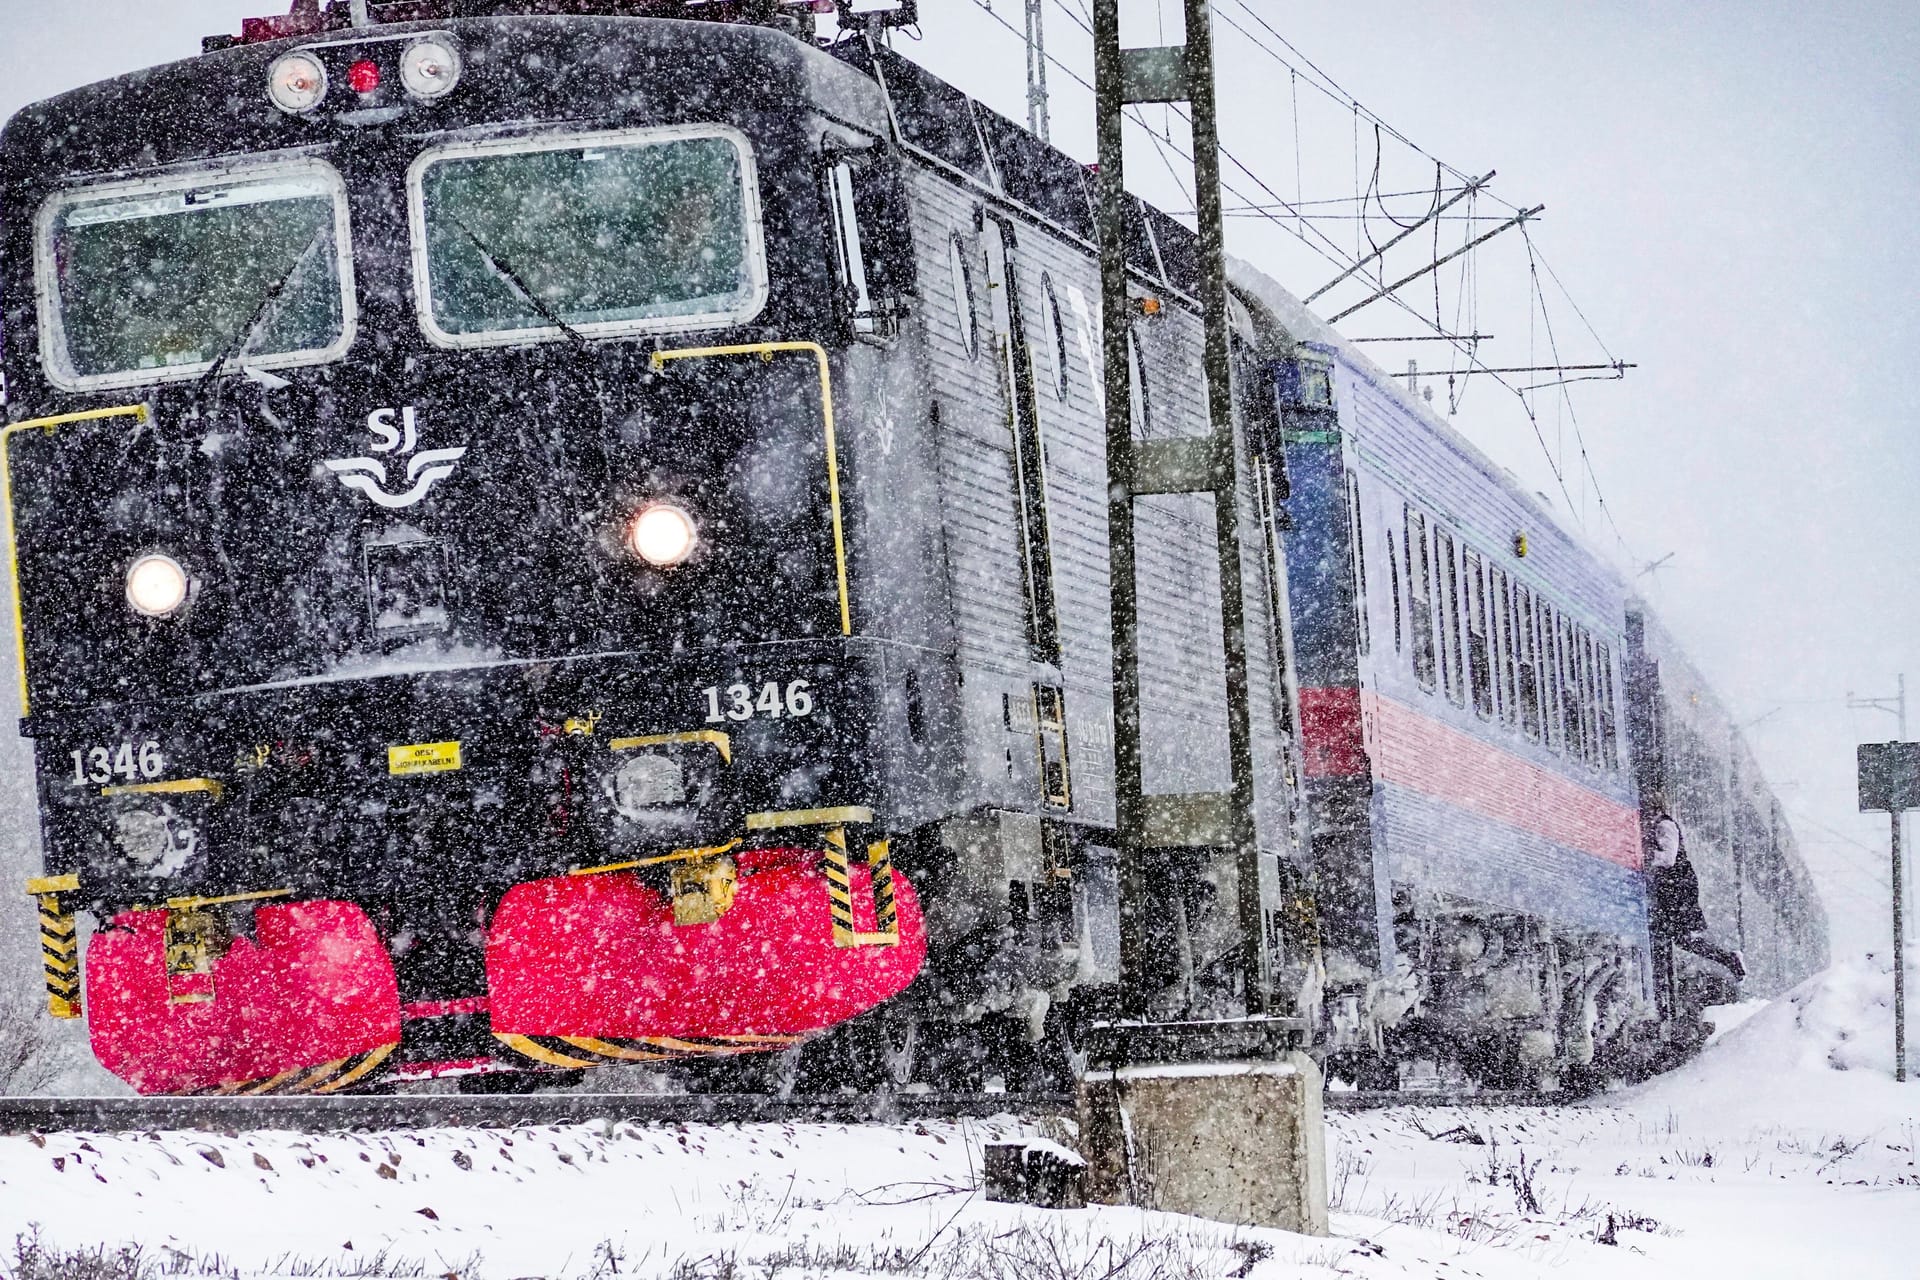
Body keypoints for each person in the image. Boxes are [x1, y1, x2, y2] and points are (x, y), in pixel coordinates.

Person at [1646, 807, 1745, 981]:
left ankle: (1730, 959)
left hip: (1676, 886)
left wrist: (1645, 855)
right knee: (1676, 936)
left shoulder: (1665, 825)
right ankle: (1729, 959)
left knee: (1677, 936)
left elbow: (1668, 859)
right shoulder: (1660, 825)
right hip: (1675, 885)